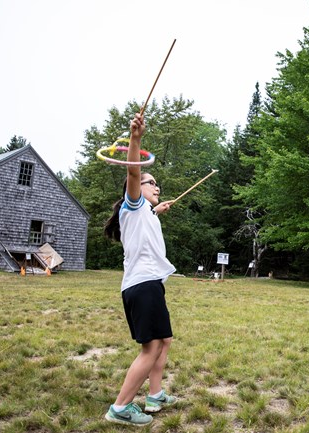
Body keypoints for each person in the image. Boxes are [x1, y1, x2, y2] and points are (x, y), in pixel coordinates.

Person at [102, 112, 177, 427]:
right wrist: (135, 139)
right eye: (152, 183)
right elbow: (134, 172)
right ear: (135, 189)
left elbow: (148, 214)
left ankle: (155, 395)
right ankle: (120, 407)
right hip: (142, 285)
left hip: (149, 284)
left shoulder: (145, 210)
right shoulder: (131, 204)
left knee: (164, 340)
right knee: (151, 348)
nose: (155, 186)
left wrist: (157, 209)